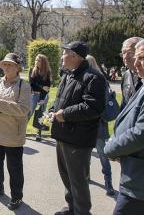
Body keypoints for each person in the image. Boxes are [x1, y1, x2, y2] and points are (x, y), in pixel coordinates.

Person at [50, 41, 106, 215]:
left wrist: (64, 114)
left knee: (78, 181)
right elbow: (60, 100)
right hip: (63, 135)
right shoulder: (68, 75)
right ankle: (72, 208)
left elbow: (93, 107)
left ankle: (82, 212)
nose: (62, 57)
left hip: (78, 140)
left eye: (64, 53)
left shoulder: (94, 77)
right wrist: (53, 111)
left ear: (74, 56)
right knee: (67, 177)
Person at [0, 53, 31, 211]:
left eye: (10, 65)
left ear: (17, 68)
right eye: (5, 65)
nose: (6, 67)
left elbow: (23, 109)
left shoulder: (23, 85)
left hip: (12, 134)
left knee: (14, 167)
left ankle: (17, 196)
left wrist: (0, 105)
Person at [105, 39, 144, 214]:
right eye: (132, 56)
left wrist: (113, 148)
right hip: (131, 167)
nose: (135, 62)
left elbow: (140, 133)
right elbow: (126, 110)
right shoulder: (131, 76)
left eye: (140, 57)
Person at [86, 55, 115, 196]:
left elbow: (102, 103)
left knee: (102, 154)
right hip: (86, 124)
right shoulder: (84, 79)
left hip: (98, 124)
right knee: (86, 153)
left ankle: (108, 181)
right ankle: (87, 176)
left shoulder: (100, 80)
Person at [28, 54, 51, 141]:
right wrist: (41, 86)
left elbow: (47, 88)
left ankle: (38, 133)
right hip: (33, 95)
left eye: (38, 60)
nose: (36, 62)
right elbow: (31, 83)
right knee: (29, 113)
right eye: (36, 60)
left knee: (41, 115)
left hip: (43, 96)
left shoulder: (47, 72)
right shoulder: (32, 70)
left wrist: (42, 99)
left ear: (43, 62)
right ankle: (21, 131)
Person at [120, 37, 143, 110]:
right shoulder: (126, 75)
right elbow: (124, 103)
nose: (125, 57)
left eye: (130, 53)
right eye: (123, 53)